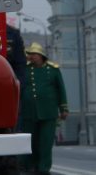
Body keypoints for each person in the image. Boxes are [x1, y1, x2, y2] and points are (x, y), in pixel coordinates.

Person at [20, 42, 68, 175]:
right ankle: (30, 165)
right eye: (30, 54)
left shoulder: (53, 70)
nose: (31, 57)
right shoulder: (26, 69)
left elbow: (61, 89)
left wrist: (63, 108)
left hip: (48, 112)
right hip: (29, 112)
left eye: (34, 54)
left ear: (41, 55)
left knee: (45, 143)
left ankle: (43, 168)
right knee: (30, 142)